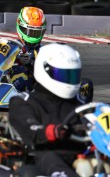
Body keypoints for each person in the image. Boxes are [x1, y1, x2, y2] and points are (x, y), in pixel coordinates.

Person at [9, 43, 85, 177]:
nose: (69, 81)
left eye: (72, 75)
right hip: (48, 155)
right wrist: (52, 131)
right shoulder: (23, 102)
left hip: (82, 153)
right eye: (64, 75)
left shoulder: (79, 105)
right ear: (45, 70)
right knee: (51, 158)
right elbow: (29, 129)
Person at [6, 6, 47, 92]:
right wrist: (16, 58)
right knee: (21, 75)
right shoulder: (11, 46)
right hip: (11, 85)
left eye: (36, 32)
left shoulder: (44, 51)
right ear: (21, 27)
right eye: (30, 31)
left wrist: (32, 62)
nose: (33, 35)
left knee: (23, 75)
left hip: (35, 89)